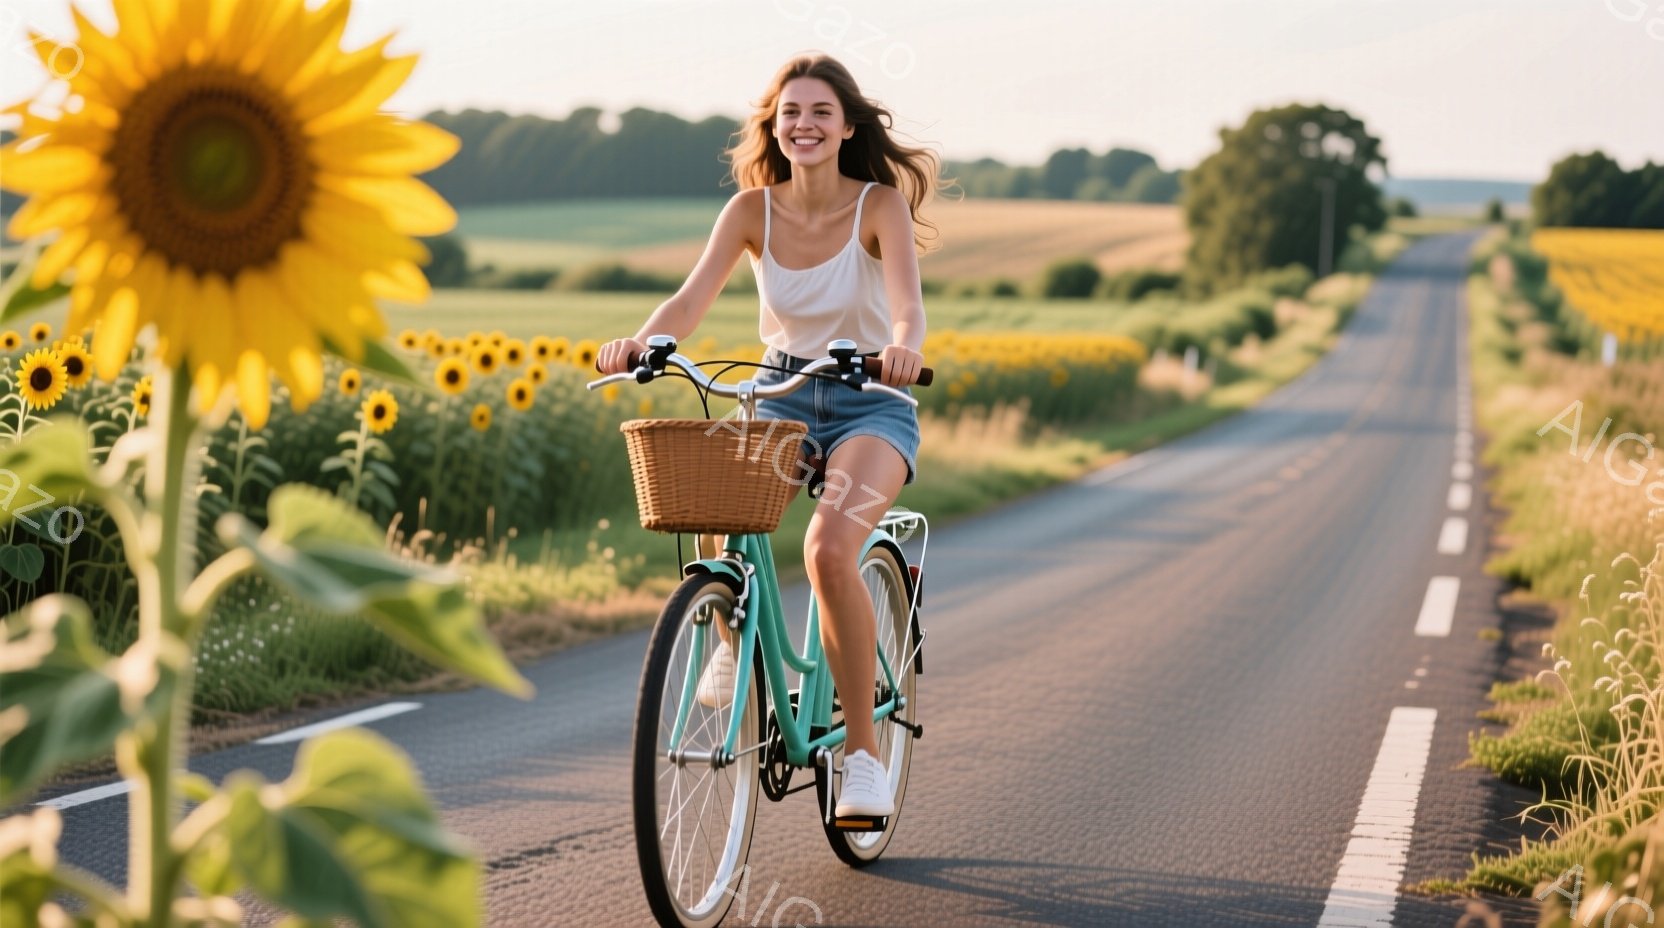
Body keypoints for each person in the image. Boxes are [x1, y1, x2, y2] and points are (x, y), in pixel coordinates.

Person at [597, 53, 942, 817]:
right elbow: (689, 302)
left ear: (847, 125)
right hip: (781, 392)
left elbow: (907, 308)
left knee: (827, 552)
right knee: (719, 523)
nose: (804, 125)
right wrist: (640, 343)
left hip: (869, 401)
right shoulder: (751, 211)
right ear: (774, 126)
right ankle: (730, 649)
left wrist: (904, 347)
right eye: (791, 112)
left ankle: (861, 758)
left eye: (820, 111)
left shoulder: (877, 205)